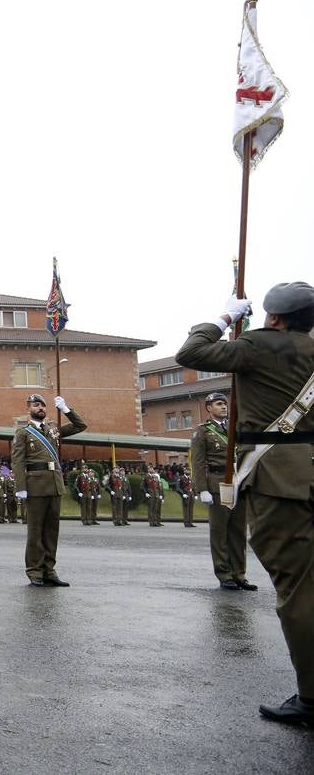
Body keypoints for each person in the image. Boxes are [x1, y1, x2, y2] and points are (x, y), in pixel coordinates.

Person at [176, 285, 314, 727]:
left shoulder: (256, 345)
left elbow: (192, 352)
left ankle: (312, 697)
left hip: (279, 477)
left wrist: (223, 318)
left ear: (273, 317)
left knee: (299, 589)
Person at [11, 394, 86, 586]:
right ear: (28, 409)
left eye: (43, 405)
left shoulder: (53, 430)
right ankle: (34, 570)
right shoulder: (23, 432)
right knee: (35, 532)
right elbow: (18, 460)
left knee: (52, 531)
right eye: (36, 405)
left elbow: (80, 426)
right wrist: (21, 487)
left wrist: (66, 409)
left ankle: (49, 570)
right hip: (35, 486)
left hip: (54, 484)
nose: (40, 408)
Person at [187, 393, 254, 589]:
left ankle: (239, 574)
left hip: (237, 482)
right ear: (209, 408)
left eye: (225, 403)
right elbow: (197, 463)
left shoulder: (235, 428)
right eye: (219, 404)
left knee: (238, 531)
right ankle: (224, 574)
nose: (224, 407)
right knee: (220, 532)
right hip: (217, 484)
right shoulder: (202, 431)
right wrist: (202, 489)